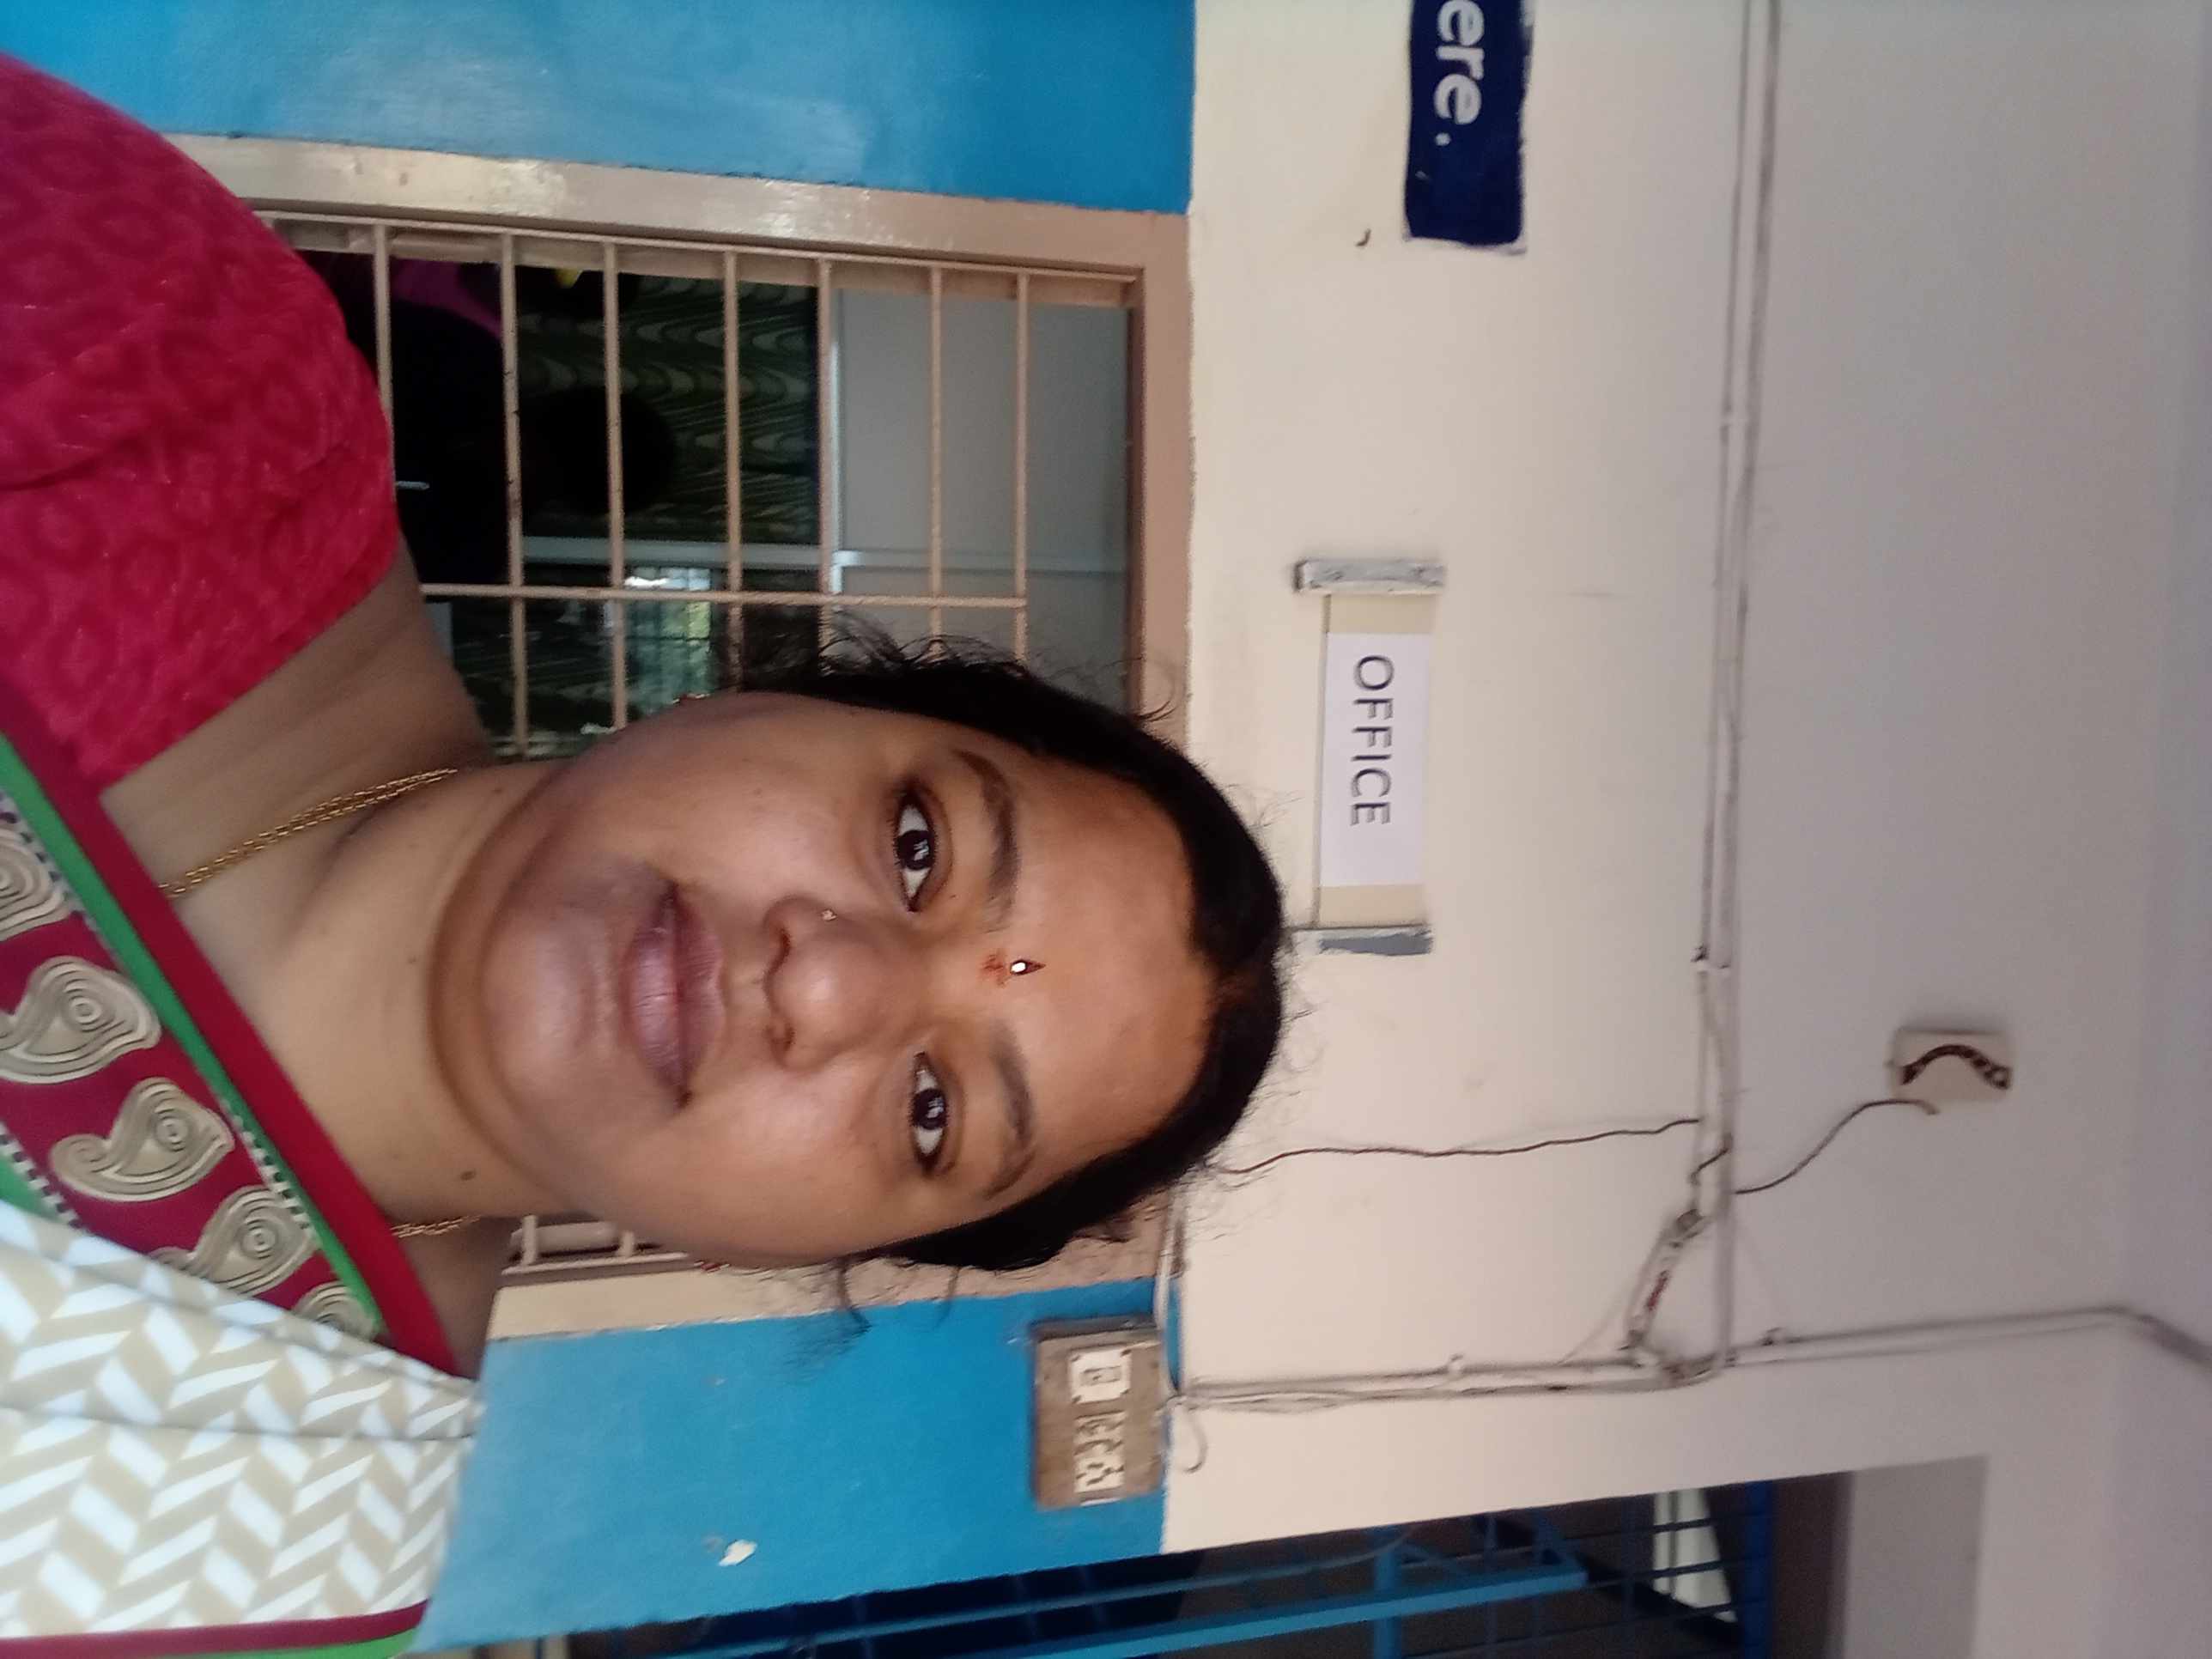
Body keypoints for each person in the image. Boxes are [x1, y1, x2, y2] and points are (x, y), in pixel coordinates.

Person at [0, 57, 1284, 1659]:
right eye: (917, 843)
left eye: (933, 1110)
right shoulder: (164, 371)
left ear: (799, 1251)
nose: (830, 984)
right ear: (782, 689)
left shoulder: (253, 1544)